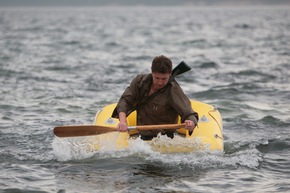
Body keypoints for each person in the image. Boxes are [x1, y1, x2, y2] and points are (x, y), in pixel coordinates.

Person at [111, 55, 198, 140]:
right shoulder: (140, 81)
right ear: (152, 72)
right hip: (142, 138)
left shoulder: (173, 89)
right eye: (157, 78)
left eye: (164, 79)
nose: (160, 82)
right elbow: (125, 100)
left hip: (165, 139)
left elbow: (188, 113)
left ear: (170, 74)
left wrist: (191, 123)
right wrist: (122, 122)